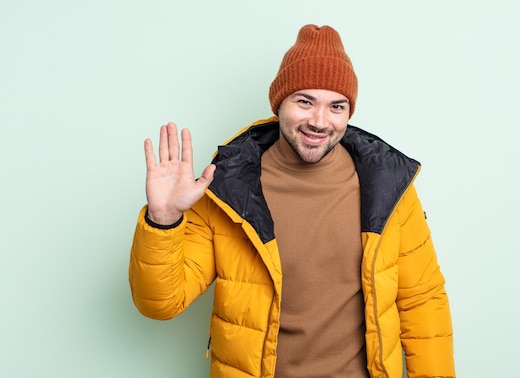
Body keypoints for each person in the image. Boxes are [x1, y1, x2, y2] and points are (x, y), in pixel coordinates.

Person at [129, 24, 455, 378]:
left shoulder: (389, 186)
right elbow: (160, 304)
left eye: (336, 106)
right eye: (305, 101)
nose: (319, 121)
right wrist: (163, 220)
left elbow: (423, 302)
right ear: (279, 102)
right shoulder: (227, 190)